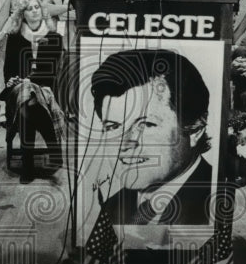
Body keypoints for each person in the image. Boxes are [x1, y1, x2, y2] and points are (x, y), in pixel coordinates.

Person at [91, 49, 214, 226]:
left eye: (146, 124)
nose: (124, 144)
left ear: (195, 129)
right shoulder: (113, 206)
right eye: (112, 127)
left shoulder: (215, 200)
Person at [1, 0, 65, 183]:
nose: (34, 10)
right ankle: (54, 148)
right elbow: (8, 71)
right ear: (22, 14)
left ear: (42, 11)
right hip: (17, 89)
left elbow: (50, 72)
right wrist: (15, 80)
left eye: (37, 7)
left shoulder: (54, 38)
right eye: (29, 8)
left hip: (45, 89)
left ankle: (27, 164)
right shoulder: (13, 38)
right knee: (26, 95)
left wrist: (28, 80)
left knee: (29, 102)